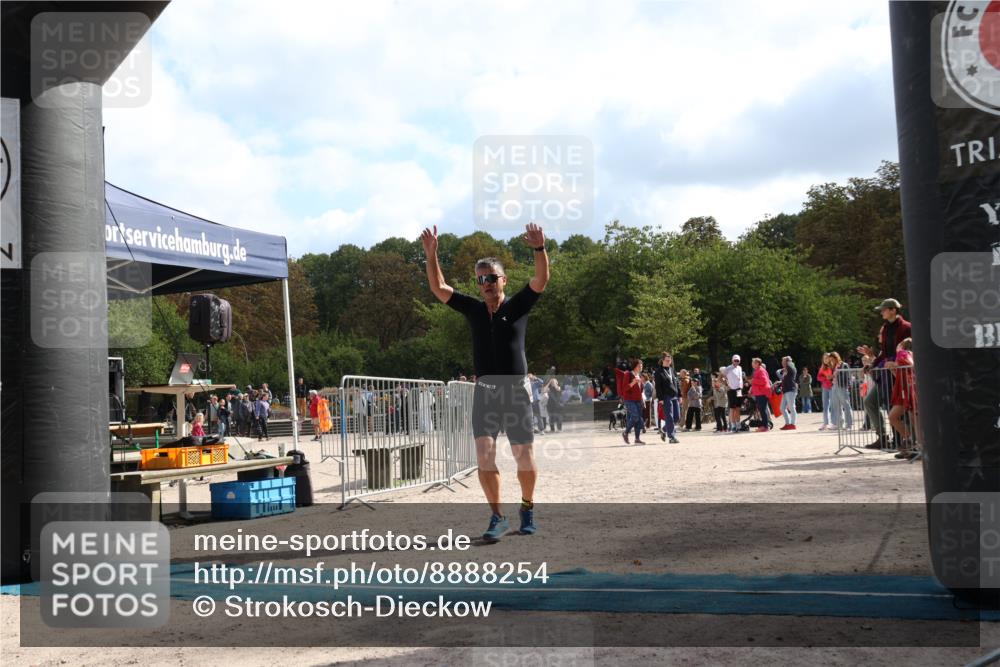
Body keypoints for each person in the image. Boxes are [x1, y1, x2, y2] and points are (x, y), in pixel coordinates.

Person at [421, 222, 548, 542]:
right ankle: (497, 516)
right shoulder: (475, 310)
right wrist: (431, 255)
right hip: (486, 394)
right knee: (484, 454)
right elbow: (439, 288)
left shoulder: (518, 305)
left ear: (503, 280)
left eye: (491, 277)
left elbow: (541, 279)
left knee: (524, 455)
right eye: (481, 279)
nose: (486, 283)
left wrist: (538, 249)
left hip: (516, 392)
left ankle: (527, 507)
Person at [886, 338, 919, 460]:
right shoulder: (904, 355)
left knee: (914, 419)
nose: (897, 345)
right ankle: (911, 442)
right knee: (894, 417)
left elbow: (910, 365)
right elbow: (902, 373)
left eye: (899, 343)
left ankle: (917, 447)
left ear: (903, 345)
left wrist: (894, 365)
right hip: (904, 391)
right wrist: (893, 368)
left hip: (909, 390)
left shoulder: (903, 353)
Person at [615, 358, 646, 444]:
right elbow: (624, 388)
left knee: (638, 419)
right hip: (629, 400)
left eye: (642, 365)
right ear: (635, 366)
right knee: (635, 416)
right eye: (639, 365)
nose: (641, 367)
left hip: (638, 400)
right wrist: (633, 382)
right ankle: (625, 432)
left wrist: (642, 398)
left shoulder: (639, 375)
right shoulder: (628, 374)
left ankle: (637, 439)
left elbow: (640, 390)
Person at [652, 352, 681, 443]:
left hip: (674, 395)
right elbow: (658, 386)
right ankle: (671, 437)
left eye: (670, 360)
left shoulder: (672, 370)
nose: (669, 362)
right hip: (665, 397)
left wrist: (679, 395)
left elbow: (676, 383)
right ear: (662, 360)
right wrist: (660, 399)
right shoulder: (658, 372)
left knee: (676, 417)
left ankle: (664, 430)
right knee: (669, 417)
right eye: (667, 360)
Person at [828, 352, 854, 430]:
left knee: (846, 405)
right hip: (835, 386)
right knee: (837, 406)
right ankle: (839, 424)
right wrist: (831, 377)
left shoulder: (844, 365)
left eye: (832, 359)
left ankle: (849, 424)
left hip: (842, 386)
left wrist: (834, 376)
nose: (832, 361)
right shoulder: (834, 366)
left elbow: (846, 376)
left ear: (836, 358)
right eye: (831, 360)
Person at [722, 355, 745, 433]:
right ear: (732, 360)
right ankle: (733, 425)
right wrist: (726, 385)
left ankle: (738, 425)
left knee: (738, 408)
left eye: (738, 361)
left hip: (739, 390)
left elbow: (740, 378)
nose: (736, 362)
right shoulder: (728, 368)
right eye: (735, 360)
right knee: (732, 408)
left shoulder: (740, 368)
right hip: (731, 390)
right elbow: (721, 377)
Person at [749, 358, 773, 432]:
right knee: (762, 409)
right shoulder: (758, 370)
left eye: (753, 363)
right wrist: (752, 391)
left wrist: (753, 381)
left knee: (762, 409)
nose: (752, 364)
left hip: (762, 393)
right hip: (760, 392)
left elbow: (763, 381)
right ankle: (764, 425)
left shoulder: (760, 370)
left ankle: (765, 426)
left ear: (757, 363)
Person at [817, 354, 836, 430]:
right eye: (824, 358)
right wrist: (825, 378)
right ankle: (825, 423)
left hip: (831, 387)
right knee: (825, 406)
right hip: (825, 387)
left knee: (832, 405)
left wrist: (829, 378)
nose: (825, 359)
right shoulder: (822, 367)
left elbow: (834, 376)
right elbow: (818, 377)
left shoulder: (833, 367)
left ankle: (833, 423)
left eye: (827, 358)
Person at [779, 356, 798, 430]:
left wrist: (788, 360)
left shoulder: (792, 368)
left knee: (791, 407)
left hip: (791, 390)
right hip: (786, 390)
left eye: (784, 361)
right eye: (782, 361)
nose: (782, 362)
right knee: (782, 408)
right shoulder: (785, 370)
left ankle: (793, 424)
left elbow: (790, 364)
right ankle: (788, 423)